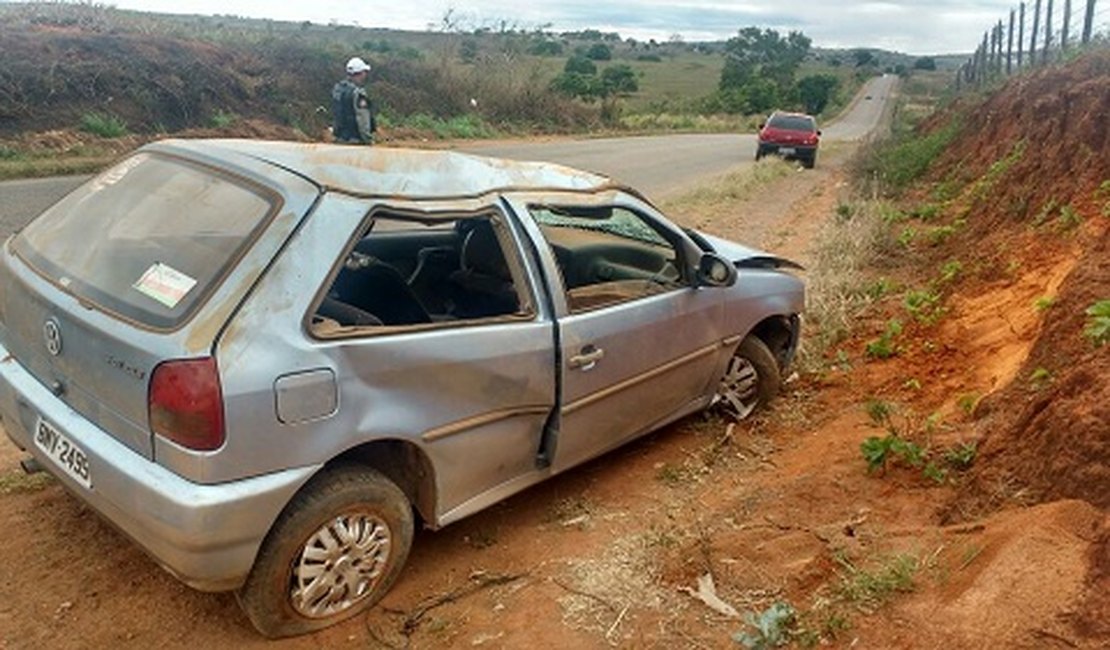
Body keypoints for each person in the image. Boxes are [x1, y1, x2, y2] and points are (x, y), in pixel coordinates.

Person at [331, 57, 376, 144]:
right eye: (364, 72)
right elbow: (363, 119)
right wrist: (368, 140)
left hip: (340, 139)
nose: (365, 75)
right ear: (360, 73)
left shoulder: (338, 89)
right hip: (355, 140)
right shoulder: (358, 93)